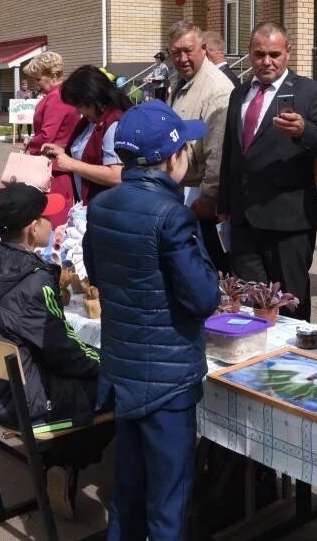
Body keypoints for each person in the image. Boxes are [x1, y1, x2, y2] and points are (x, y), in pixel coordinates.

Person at [84, 101, 220, 540]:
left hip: (124, 367)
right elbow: (201, 298)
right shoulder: (172, 215)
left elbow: (98, 272)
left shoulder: (102, 206)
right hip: (167, 377)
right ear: (171, 158)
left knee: (128, 488)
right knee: (168, 500)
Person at [0, 183, 112, 519]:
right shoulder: (32, 282)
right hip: (23, 397)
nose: (52, 223)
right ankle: (65, 462)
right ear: (32, 229)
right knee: (116, 388)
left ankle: (61, 458)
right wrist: (107, 364)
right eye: (47, 218)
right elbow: (63, 351)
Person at [218, 22, 317, 321]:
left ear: (288, 52)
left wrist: (303, 131)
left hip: (289, 221)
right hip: (244, 219)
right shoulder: (239, 94)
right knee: (248, 301)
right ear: (249, 54)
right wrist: (224, 203)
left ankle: (296, 362)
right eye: (259, 54)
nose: (266, 61)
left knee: (289, 303)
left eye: (274, 54)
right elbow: (231, 152)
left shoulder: (311, 92)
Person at [165, 21, 233, 273]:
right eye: (176, 53)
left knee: (210, 269)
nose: (182, 58)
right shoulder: (180, 80)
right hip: (181, 193)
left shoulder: (216, 89)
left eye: (188, 50)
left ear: (203, 48)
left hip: (200, 198)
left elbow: (218, 151)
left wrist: (208, 198)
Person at [41, 65, 131, 206]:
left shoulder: (113, 122)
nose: (78, 111)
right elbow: (88, 150)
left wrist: (72, 164)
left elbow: (116, 175)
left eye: (80, 106)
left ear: (92, 98)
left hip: (108, 208)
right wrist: (62, 151)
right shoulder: (90, 122)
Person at [23, 51, 79, 226]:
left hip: (53, 169)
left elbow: (48, 135)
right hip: (53, 165)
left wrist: (29, 141)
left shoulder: (57, 97)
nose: (36, 83)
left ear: (52, 75)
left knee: (52, 220)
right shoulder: (61, 94)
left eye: (38, 79)